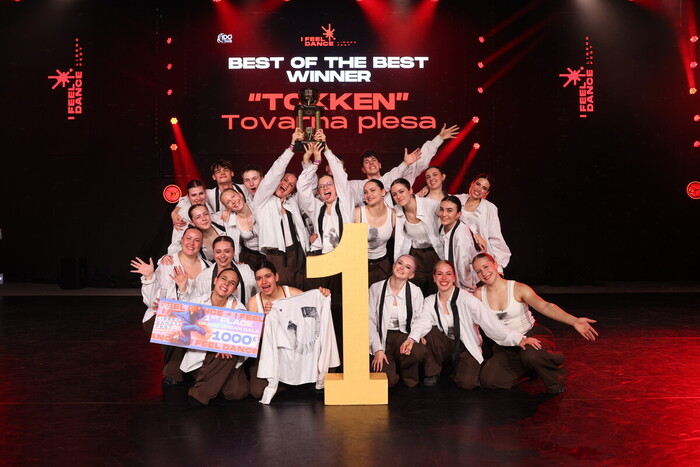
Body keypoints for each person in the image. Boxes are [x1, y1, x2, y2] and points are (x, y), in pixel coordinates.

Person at [472, 253, 598, 393]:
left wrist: (574, 321)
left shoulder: (518, 288)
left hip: (531, 335)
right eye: (478, 271)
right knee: (489, 380)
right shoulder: (478, 295)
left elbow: (545, 306)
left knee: (531, 354)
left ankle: (556, 376)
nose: (484, 273)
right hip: (507, 345)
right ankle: (529, 369)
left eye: (486, 267)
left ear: (495, 265)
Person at [421, 260, 541, 388]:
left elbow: (489, 322)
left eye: (448, 274)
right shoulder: (429, 301)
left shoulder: (468, 299)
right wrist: (416, 336)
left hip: (466, 345)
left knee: (467, 383)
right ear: (434, 278)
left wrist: (518, 339)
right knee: (428, 332)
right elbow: (422, 321)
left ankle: (464, 367)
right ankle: (433, 372)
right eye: (440, 274)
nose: (444, 278)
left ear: (454, 277)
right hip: (446, 343)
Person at [130, 225, 210, 385]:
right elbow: (151, 302)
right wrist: (149, 276)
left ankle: (193, 369)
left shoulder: (207, 268)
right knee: (176, 323)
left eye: (196, 240)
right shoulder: (168, 263)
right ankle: (172, 373)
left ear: (201, 244)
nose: (191, 243)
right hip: (159, 318)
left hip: (193, 319)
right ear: (181, 240)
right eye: (188, 238)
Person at [246, 261, 331, 399]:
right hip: (269, 351)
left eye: (268, 276)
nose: (264, 282)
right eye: (259, 278)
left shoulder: (293, 293)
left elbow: (312, 315)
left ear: (276, 277)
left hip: (295, 348)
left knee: (320, 374)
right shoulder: (254, 302)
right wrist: (265, 318)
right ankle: (288, 382)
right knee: (257, 391)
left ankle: (291, 379)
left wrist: (322, 296)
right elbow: (255, 338)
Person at [177, 267, 251, 406]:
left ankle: (208, 383)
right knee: (225, 362)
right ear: (215, 280)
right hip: (201, 355)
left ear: (234, 290)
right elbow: (181, 321)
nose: (226, 284)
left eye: (232, 283)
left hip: (225, 357)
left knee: (238, 392)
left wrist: (227, 345)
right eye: (223, 279)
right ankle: (200, 394)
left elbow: (243, 342)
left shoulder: (240, 309)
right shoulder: (198, 301)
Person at [345, 124, 459, 207]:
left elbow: (419, 161)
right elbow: (339, 188)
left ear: (380, 165)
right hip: (365, 226)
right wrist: (404, 164)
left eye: (373, 160)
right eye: (366, 162)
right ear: (363, 169)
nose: (371, 163)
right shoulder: (357, 185)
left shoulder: (398, 179)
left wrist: (439, 139)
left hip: (394, 227)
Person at [253, 129, 309, 289]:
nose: (286, 184)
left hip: (299, 255)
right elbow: (275, 172)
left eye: (291, 185)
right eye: (284, 180)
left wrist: (308, 160)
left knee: (301, 293)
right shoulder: (263, 200)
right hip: (277, 257)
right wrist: (291, 148)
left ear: (292, 191)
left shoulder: (293, 202)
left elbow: (307, 185)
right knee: (282, 296)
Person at [368, 255, 432, 387]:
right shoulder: (376, 288)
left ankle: (407, 373)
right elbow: (369, 321)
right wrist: (377, 349)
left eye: (407, 267)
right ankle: (392, 369)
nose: (402, 268)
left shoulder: (415, 292)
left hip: (402, 335)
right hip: (381, 336)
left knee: (417, 350)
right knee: (387, 381)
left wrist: (413, 338)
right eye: (400, 263)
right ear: (393, 265)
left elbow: (422, 319)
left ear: (411, 275)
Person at [390, 178, 442, 295]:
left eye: (401, 191)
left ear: (410, 190)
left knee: (436, 290)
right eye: (394, 194)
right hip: (416, 255)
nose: (398, 196)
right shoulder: (396, 211)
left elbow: (453, 211)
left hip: (435, 253)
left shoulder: (430, 204)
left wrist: (476, 233)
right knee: (415, 291)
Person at [178, 235, 256, 306]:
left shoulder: (246, 271)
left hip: (242, 314)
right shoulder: (204, 276)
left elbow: (259, 293)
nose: (222, 255)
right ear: (214, 253)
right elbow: (192, 304)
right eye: (218, 252)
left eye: (227, 251)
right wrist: (182, 289)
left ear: (233, 252)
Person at [455, 174, 511, 272]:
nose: (479, 189)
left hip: (478, 258)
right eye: (478, 184)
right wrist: (476, 234)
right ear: (472, 184)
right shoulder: (457, 200)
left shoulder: (490, 208)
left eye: (484, 188)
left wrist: (499, 267)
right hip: (456, 253)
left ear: (487, 193)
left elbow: (495, 237)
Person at [354, 179, 395, 285]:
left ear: (383, 192)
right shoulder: (358, 213)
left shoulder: (392, 214)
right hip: (361, 265)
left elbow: (399, 240)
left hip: (383, 265)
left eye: (372, 190)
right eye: (365, 192)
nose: (369, 195)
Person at [438, 196, 479, 291]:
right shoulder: (444, 226)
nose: (444, 214)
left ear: (458, 214)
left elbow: (463, 268)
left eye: (449, 211)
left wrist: (466, 291)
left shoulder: (461, 235)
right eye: (441, 209)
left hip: (466, 286)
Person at [218, 187, 264, 266]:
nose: (233, 201)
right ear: (227, 208)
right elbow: (233, 243)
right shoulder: (229, 220)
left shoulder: (258, 206)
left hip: (270, 251)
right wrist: (236, 260)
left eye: (233, 196)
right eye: (228, 202)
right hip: (250, 256)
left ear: (240, 195)